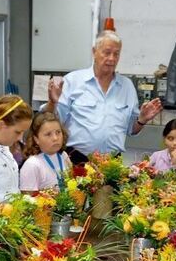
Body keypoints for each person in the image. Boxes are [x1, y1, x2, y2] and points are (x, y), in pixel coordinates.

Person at [45, 31, 163, 164]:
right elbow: (51, 120)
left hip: (112, 163)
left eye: (116, 54)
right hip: (76, 159)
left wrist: (142, 120)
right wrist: (52, 102)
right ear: (94, 51)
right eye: (107, 52)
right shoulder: (73, 81)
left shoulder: (127, 87)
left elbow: (131, 130)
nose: (112, 58)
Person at [20, 112, 72, 193]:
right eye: (48, 134)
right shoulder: (32, 165)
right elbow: (28, 201)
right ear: (36, 139)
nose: (55, 138)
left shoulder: (63, 155)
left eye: (58, 132)